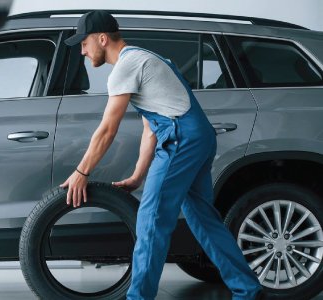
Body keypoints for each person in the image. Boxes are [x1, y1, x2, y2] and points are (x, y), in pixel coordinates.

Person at [59, 10, 263, 300]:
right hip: (197, 137)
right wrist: (138, 176)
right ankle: (249, 290)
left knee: (152, 220)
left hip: (181, 139)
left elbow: (107, 130)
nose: (81, 50)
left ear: (102, 39)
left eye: (84, 43)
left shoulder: (125, 67)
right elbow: (151, 128)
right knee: (204, 220)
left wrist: (81, 172)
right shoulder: (145, 58)